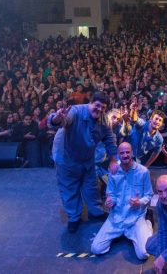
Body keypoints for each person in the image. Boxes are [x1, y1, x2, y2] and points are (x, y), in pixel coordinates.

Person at [48, 91, 118, 233]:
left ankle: (96, 212)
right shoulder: (76, 111)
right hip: (66, 158)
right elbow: (61, 121)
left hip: (87, 159)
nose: (99, 109)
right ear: (90, 103)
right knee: (69, 188)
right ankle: (74, 218)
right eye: (97, 106)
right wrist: (57, 118)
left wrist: (113, 159)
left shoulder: (105, 120)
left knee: (91, 186)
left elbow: (110, 140)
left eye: (103, 108)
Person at [91, 142, 153, 260]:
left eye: (127, 152)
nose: (125, 155)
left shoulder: (143, 172)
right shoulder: (113, 172)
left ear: (132, 153)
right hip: (117, 217)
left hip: (135, 218)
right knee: (96, 248)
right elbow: (111, 194)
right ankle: (123, 234)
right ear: (118, 155)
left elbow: (149, 195)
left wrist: (139, 202)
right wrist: (110, 201)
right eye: (122, 153)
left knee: (143, 254)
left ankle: (148, 223)